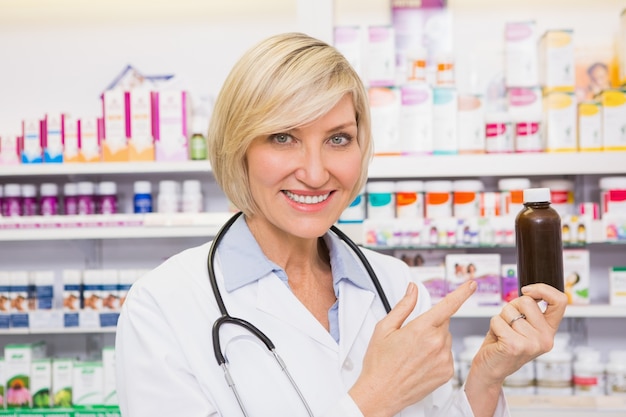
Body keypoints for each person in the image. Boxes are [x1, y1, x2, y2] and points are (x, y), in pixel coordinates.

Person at [115, 32, 568, 417]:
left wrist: (487, 376)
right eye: (283, 137)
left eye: (338, 139)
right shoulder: (163, 306)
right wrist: (371, 400)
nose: (315, 173)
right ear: (239, 149)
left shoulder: (396, 286)